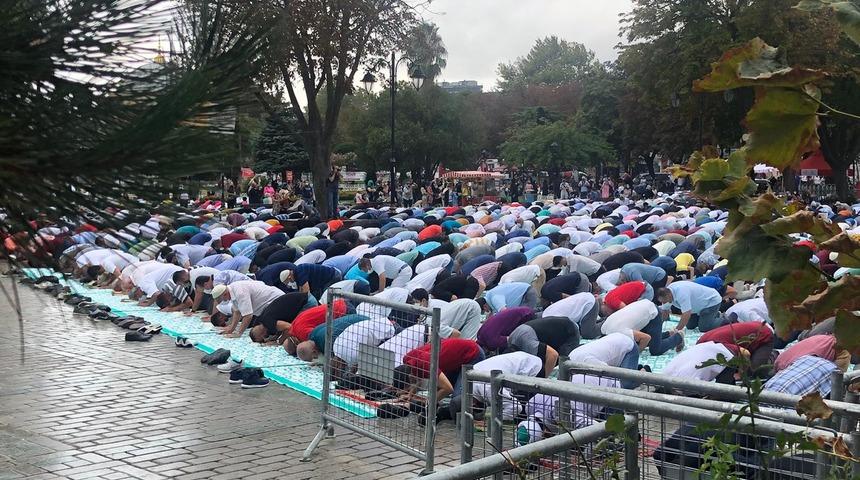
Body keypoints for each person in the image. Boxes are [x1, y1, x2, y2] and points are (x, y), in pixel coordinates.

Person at [395, 338, 485, 404]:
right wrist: (410, 394)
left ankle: (477, 412)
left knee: (457, 399)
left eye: (406, 390)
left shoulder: (425, 364)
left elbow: (448, 388)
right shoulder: (407, 359)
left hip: (473, 354)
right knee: (437, 391)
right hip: (457, 357)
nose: (406, 391)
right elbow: (416, 379)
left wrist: (428, 404)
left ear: (410, 377)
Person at [567, 332, 650, 389]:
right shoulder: (570, 358)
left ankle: (644, 371)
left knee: (625, 385)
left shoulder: (589, 362)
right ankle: (633, 367)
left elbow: (608, 372)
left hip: (628, 346)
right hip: (616, 341)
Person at [210, 281, 285, 338]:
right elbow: (237, 312)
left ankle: (279, 338)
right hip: (267, 305)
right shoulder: (232, 290)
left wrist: (239, 333)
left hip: (276, 300)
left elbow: (248, 315)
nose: (224, 301)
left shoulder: (240, 292)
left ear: (225, 294)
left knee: (267, 324)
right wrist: (231, 329)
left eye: (222, 299)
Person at [662, 341, 745, 385]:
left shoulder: (688, 382)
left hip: (725, 355)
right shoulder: (666, 373)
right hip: (710, 348)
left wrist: (741, 373)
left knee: (725, 394)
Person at [656, 281, 726, 333]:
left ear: (669, 296)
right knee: (690, 326)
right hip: (697, 305)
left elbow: (686, 314)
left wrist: (676, 331)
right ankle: (713, 316)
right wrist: (659, 327)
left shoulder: (681, 293)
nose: (664, 303)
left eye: (664, 301)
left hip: (710, 302)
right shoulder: (667, 294)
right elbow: (665, 311)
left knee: (704, 327)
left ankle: (725, 320)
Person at [246, 291, 310, 345]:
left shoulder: (267, 323)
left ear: (262, 335)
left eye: (263, 340)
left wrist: (278, 342)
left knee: (300, 333)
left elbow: (289, 327)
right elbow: (281, 327)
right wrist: (276, 338)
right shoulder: (262, 319)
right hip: (304, 298)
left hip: (306, 302)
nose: (266, 337)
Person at [773, 334, 850, 373]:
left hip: (779, 362)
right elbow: (837, 378)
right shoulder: (844, 349)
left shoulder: (822, 337)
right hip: (791, 369)